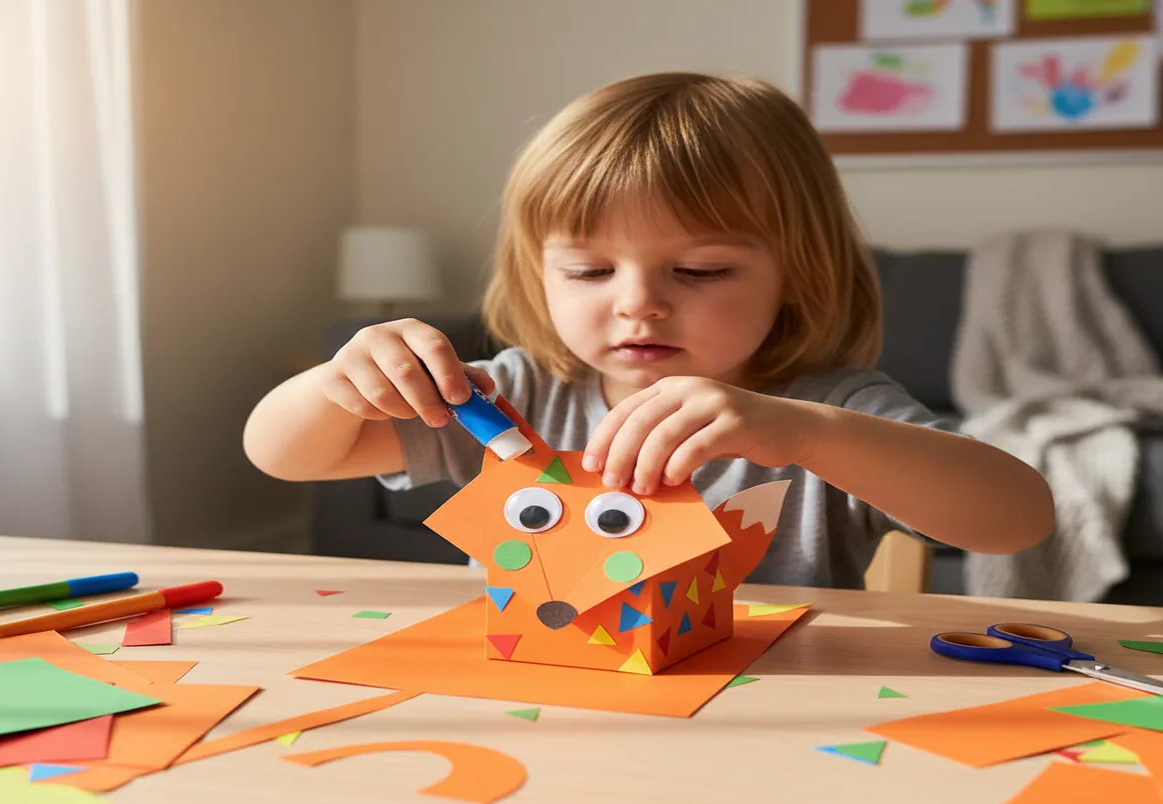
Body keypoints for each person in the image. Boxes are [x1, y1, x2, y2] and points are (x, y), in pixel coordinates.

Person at [243, 72, 1054, 589]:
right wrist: (337, 383)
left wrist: (808, 435)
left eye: (700, 271)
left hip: (766, 720)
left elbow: (1018, 516)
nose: (638, 304)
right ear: (540, 275)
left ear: (796, 273)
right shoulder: (513, 398)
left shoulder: (823, 407)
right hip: (538, 703)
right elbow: (281, 456)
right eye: (590, 272)